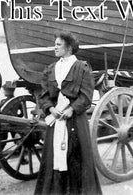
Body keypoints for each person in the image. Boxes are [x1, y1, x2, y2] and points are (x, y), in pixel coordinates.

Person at [35, 32, 102, 195]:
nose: (55, 47)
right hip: (56, 121)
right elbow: (43, 95)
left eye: (59, 44)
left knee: (76, 160)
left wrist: (71, 109)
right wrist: (51, 109)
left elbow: (87, 95)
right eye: (55, 44)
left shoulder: (82, 67)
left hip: (75, 122)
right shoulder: (51, 69)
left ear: (69, 48)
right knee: (54, 159)